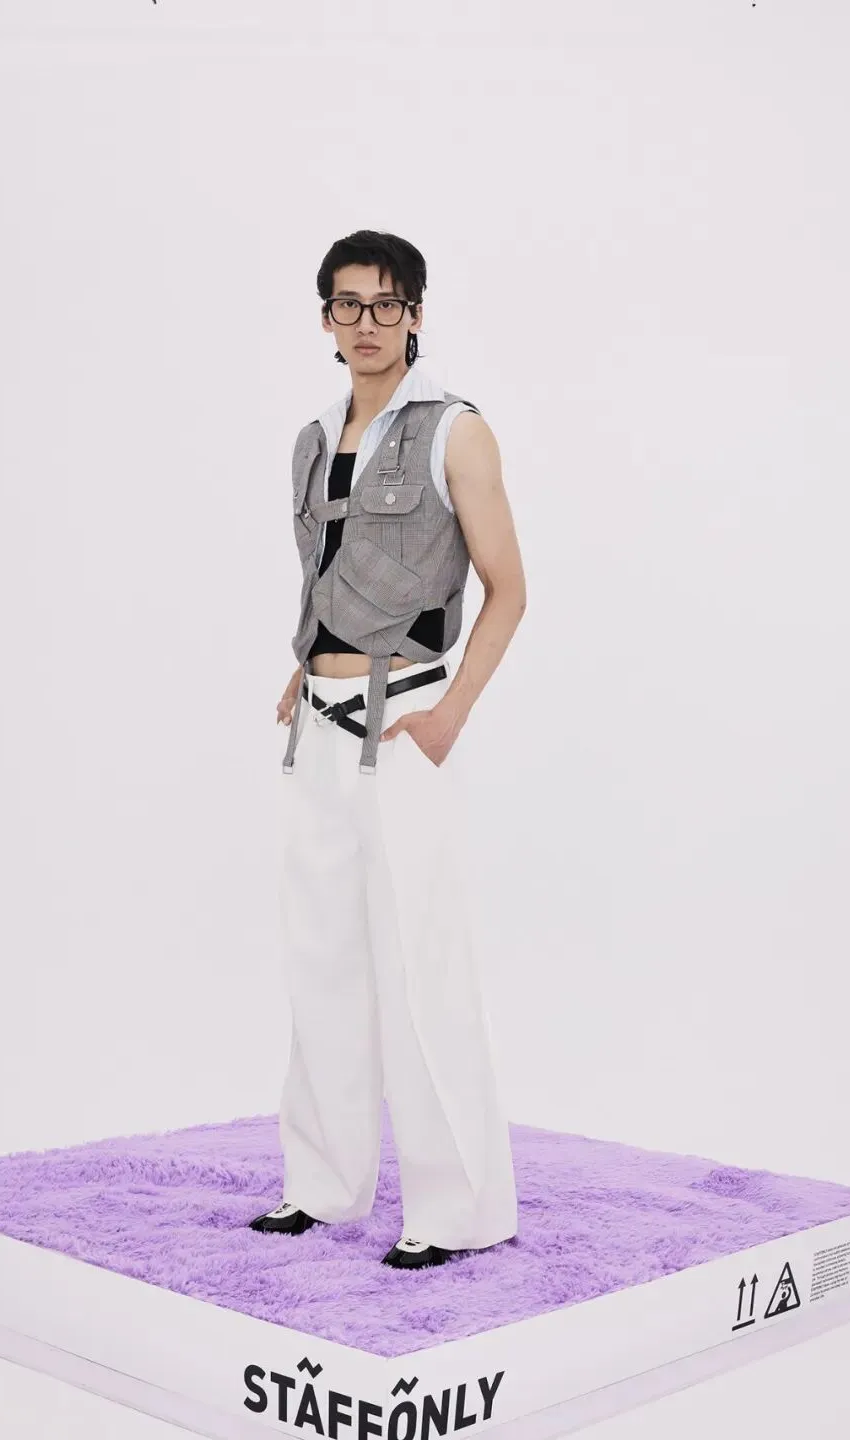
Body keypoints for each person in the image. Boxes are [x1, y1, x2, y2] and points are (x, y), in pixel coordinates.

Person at [249, 230, 526, 1269]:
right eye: (347, 304)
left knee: (422, 967)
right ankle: (324, 1189)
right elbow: (329, 576)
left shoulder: (457, 431)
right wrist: (302, 664)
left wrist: (453, 715)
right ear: (326, 318)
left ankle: (458, 1212)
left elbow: (509, 589)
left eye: (386, 303)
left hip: (405, 724)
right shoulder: (314, 438)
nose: (366, 322)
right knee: (320, 958)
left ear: (415, 313)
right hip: (315, 728)